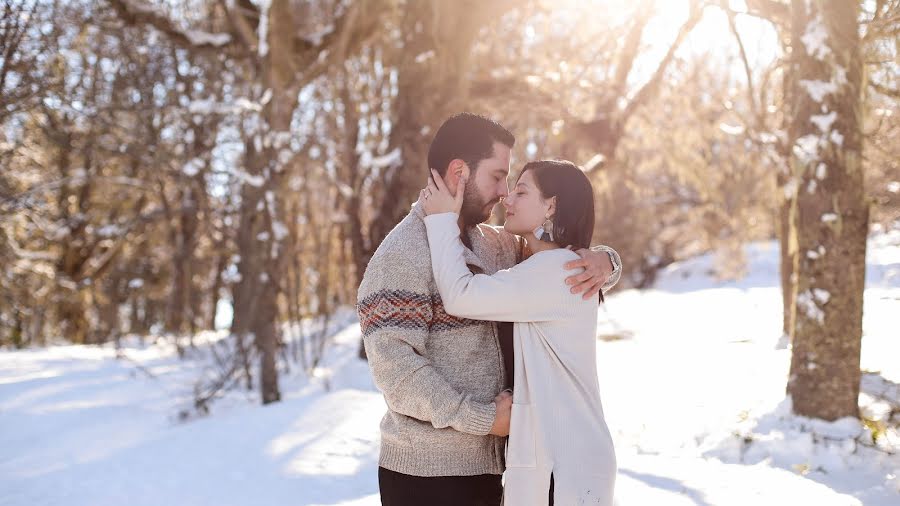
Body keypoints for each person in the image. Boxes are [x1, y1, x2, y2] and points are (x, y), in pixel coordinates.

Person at [357, 113, 621, 506]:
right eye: (498, 177)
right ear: (459, 172)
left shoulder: (495, 245)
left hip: (495, 468)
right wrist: (483, 419)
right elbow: (398, 376)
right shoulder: (402, 254)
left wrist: (606, 260)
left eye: (514, 184)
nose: (503, 193)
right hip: (429, 474)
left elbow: (556, 266)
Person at [420, 159, 617, 506]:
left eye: (522, 191)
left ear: (551, 205)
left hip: (563, 467)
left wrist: (440, 219)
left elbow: (460, 295)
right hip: (566, 460)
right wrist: (610, 260)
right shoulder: (556, 265)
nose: (508, 199)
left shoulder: (555, 270)